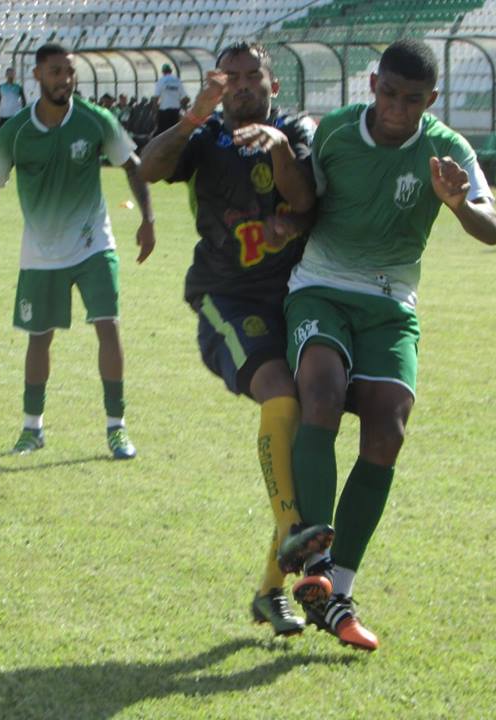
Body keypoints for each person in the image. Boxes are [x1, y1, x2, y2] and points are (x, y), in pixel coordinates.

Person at [281, 39, 496, 651]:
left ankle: (337, 590)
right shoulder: (334, 133)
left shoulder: (448, 150)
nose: (398, 109)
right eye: (388, 94)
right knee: (321, 394)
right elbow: (301, 203)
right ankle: (317, 565)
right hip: (321, 286)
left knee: (389, 431)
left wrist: (458, 205)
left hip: (391, 305)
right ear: (372, 83)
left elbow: (492, 227)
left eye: (412, 100)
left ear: (430, 99)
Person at [139, 42, 334, 637]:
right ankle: (295, 553)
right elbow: (145, 167)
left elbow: (303, 201)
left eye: (255, 76)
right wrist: (194, 115)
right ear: (218, 85)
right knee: (280, 397)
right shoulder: (202, 138)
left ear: (273, 85)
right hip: (228, 299)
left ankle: (270, 590)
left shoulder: (295, 131)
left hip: (295, 300)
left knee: (301, 436)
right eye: (234, 78)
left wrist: (277, 152)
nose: (245, 86)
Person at [0, 43, 156, 459]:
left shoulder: (96, 120)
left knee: (108, 325)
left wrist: (148, 219)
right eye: (55, 72)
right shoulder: (16, 130)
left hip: (95, 244)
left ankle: (117, 428)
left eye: (69, 72)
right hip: (41, 253)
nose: (65, 80)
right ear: (37, 75)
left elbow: (132, 165)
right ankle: (32, 428)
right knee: (39, 339)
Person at [151, 64, 189, 136]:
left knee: (162, 135)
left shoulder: (161, 81)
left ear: (163, 72)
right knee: (174, 135)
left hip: (164, 112)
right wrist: (183, 108)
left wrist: (155, 113)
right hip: (175, 112)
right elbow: (185, 98)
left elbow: (156, 98)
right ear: (171, 71)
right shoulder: (177, 81)